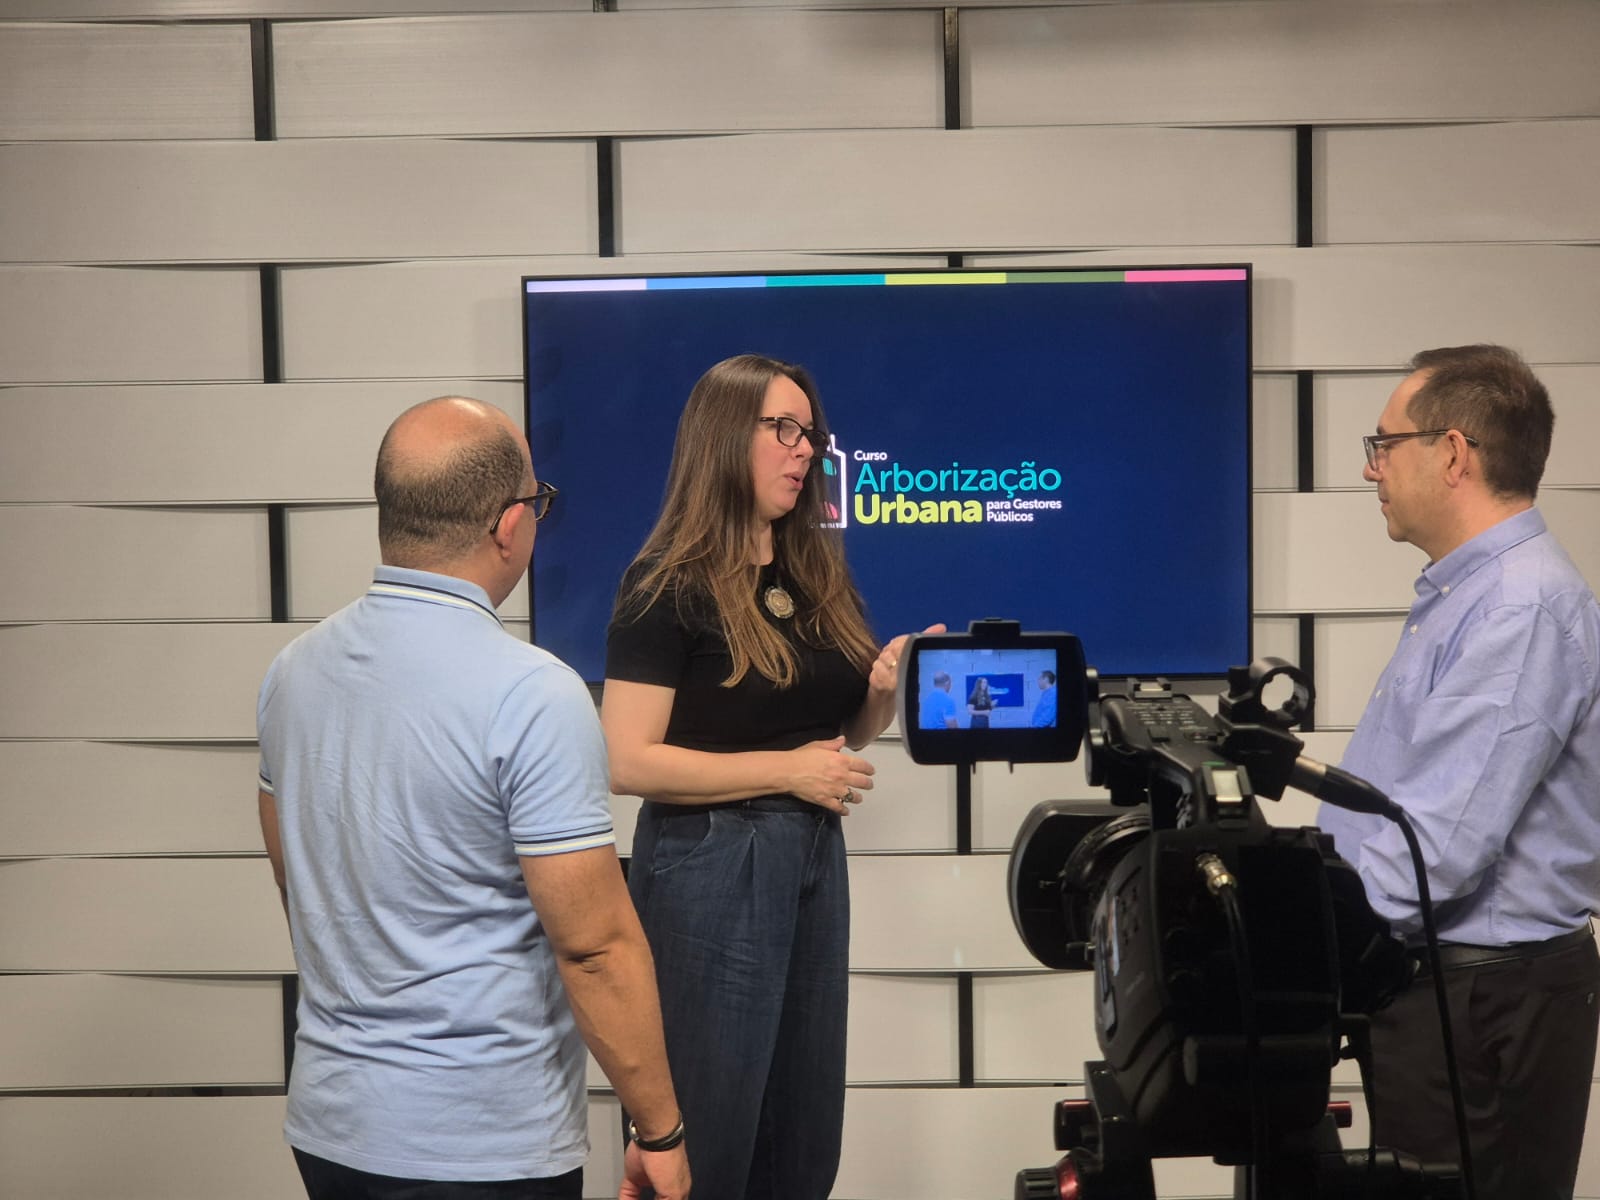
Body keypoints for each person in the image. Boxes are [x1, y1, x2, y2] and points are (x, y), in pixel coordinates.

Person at [256, 397, 690, 1200]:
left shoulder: (292, 673)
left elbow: (298, 881)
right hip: (482, 1146)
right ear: (509, 525)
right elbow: (595, 948)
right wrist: (659, 1130)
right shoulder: (532, 694)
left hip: (331, 1127)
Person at [601, 354, 939, 1200]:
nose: (804, 450)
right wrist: (787, 772)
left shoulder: (812, 571)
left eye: (810, 433)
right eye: (783, 429)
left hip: (811, 855)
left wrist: (881, 695)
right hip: (712, 863)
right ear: (724, 437)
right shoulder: (663, 585)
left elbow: (833, 739)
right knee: (710, 1135)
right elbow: (627, 759)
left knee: (802, 1140)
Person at [1314, 346, 1600, 1200]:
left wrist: (1317, 945)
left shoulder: (1520, 606)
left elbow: (1439, 843)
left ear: (1451, 453)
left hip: (1480, 1004)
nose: (1371, 468)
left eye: (1384, 443)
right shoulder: (1471, 595)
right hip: (1448, 990)